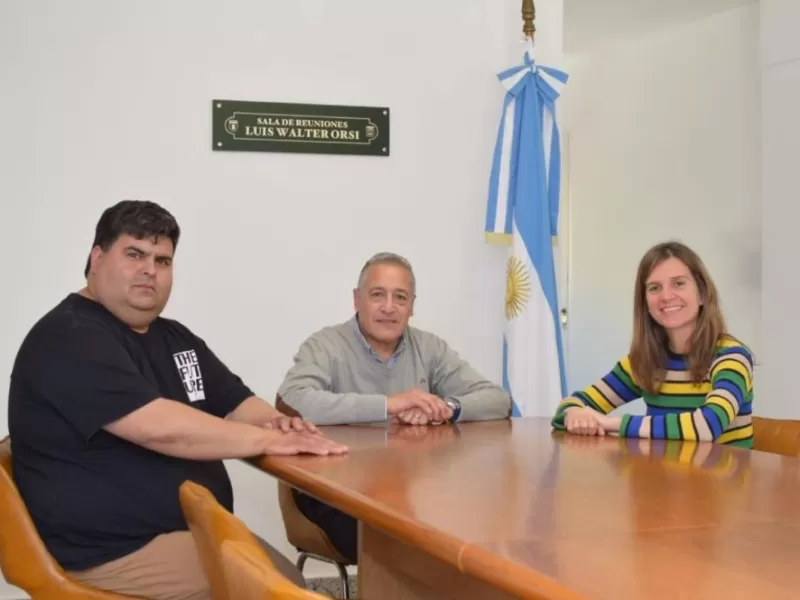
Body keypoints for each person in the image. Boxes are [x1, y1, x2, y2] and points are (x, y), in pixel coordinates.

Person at [8, 200, 348, 600]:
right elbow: (159, 428)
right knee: (280, 592)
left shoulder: (172, 337)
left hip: (181, 530)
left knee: (287, 580)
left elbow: (236, 400)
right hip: (110, 551)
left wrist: (278, 423)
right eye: (134, 254)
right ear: (97, 258)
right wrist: (270, 441)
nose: (150, 270)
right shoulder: (69, 335)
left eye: (163, 260)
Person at [277, 251, 511, 563]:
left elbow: (498, 400)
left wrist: (445, 407)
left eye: (400, 297)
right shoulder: (326, 345)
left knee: (474, 526)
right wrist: (388, 405)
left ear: (412, 306)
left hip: (409, 493)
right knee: (398, 543)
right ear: (357, 299)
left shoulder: (429, 348)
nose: (389, 307)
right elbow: (293, 398)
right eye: (378, 295)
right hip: (335, 491)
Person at [551, 241, 754, 447]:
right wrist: (574, 413)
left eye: (679, 283)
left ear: (702, 294)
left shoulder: (731, 356)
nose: (666, 296)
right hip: (662, 477)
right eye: (654, 288)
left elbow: (708, 425)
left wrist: (612, 423)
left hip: (724, 479)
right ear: (645, 303)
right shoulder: (644, 362)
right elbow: (568, 408)